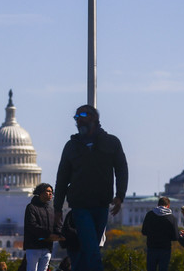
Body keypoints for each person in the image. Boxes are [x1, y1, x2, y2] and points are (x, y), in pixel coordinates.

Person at [54, 104, 128, 271]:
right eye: (76, 116)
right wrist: (57, 208)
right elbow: (62, 178)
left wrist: (120, 196)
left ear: (94, 118)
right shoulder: (71, 146)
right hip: (80, 205)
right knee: (91, 247)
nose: (78, 119)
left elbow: (122, 169)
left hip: (102, 203)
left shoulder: (111, 142)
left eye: (83, 114)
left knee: (89, 246)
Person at [24, 183, 61, 271]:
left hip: (47, 247)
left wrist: (59, 234)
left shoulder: (51, 210)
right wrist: (48, 235)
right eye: (48, 191)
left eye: (51, 192)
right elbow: (32, 225)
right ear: (40, 193)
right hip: (33, 247)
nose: (50, 193)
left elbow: (55, 225)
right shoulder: (31, 207)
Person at [141, 197, 179, 271]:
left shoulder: (150, 215)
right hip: (165, 249)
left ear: (158, 205)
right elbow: (175, 237)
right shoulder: (171, 218)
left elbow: (144, 231)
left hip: (152, 247)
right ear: (168, 206)